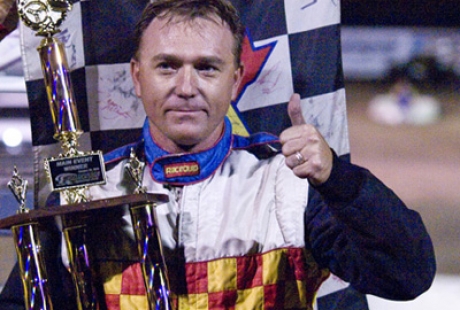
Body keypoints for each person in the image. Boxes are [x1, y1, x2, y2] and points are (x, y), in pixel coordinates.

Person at [0, 0, 435, 309]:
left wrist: (339, 180)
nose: (186, 87)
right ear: (136, 77)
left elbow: (406, 277)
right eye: (167, 65)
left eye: (206, 67)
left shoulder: (291, 187)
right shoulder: (85, 194)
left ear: (235, 78)